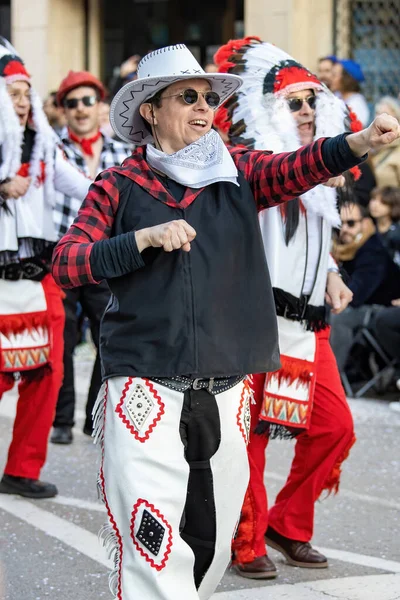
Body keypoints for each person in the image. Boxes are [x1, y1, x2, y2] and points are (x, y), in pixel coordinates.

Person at [52, 43, 399, 600]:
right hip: (143, 382)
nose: (202, 108)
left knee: (209, 549)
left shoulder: (239, 170)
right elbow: (68, 262)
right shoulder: (117, 184)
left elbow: (297, 167)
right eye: (186, 97)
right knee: (153, 539)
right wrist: (139, 241)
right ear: (149, 109)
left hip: (227, 385)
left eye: (208, 99)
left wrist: (359, 143)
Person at [213, 36, 356, 579]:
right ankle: (245, 539)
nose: (305, 111)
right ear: (267, 111)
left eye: (312, 101)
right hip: (255, 321)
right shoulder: (249, 162)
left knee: (335, 427)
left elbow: (309, 246)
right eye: (293, 103)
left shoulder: (322, 173)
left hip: (308, 322)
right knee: (251, 436)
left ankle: (289, 523)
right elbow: (273, 191)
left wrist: (333, 275)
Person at [0, 39, 91, 498]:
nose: (21, 102)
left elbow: (78, 184)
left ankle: (21, 468)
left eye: (25, 92)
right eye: (11, 92)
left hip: (40, 276)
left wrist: (115, 194)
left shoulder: (44, 143)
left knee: (47, 372)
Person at [51, 71, 132, 444]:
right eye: (72, 103)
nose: (81, 109)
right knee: (62, 343)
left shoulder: (120, 151)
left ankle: (93, 416)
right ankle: (62, 421)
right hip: (61, 257)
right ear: (63, 110)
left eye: (87, 101)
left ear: (100, 107)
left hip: (103, 258)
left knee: (109, 338)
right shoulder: (50, 150)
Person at [330, 202, 400, 373]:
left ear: (365, 223)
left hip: (382, 308)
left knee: (339, 316)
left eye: (351, 223)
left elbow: (356, 294)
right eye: (341, 224)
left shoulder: (372, 251)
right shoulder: (343, 249)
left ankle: (331, 375)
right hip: (360, 305)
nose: (345, 229)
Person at [331, 59, 370, 127]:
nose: (331, 78)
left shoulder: (357, 104)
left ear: (346, 78)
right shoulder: (336, 96)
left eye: (334, 75)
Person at [371, 97, 400, 187]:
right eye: (377, 113)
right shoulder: (371, 146)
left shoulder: (397, 151)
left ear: (397, 119)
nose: (378, 118)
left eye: (385, 114)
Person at [369, 186, 400, 266]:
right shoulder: (367, 227)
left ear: (393, 206)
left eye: (383, 202)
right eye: (374, 199)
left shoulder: (397, 233)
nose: (375, 205)